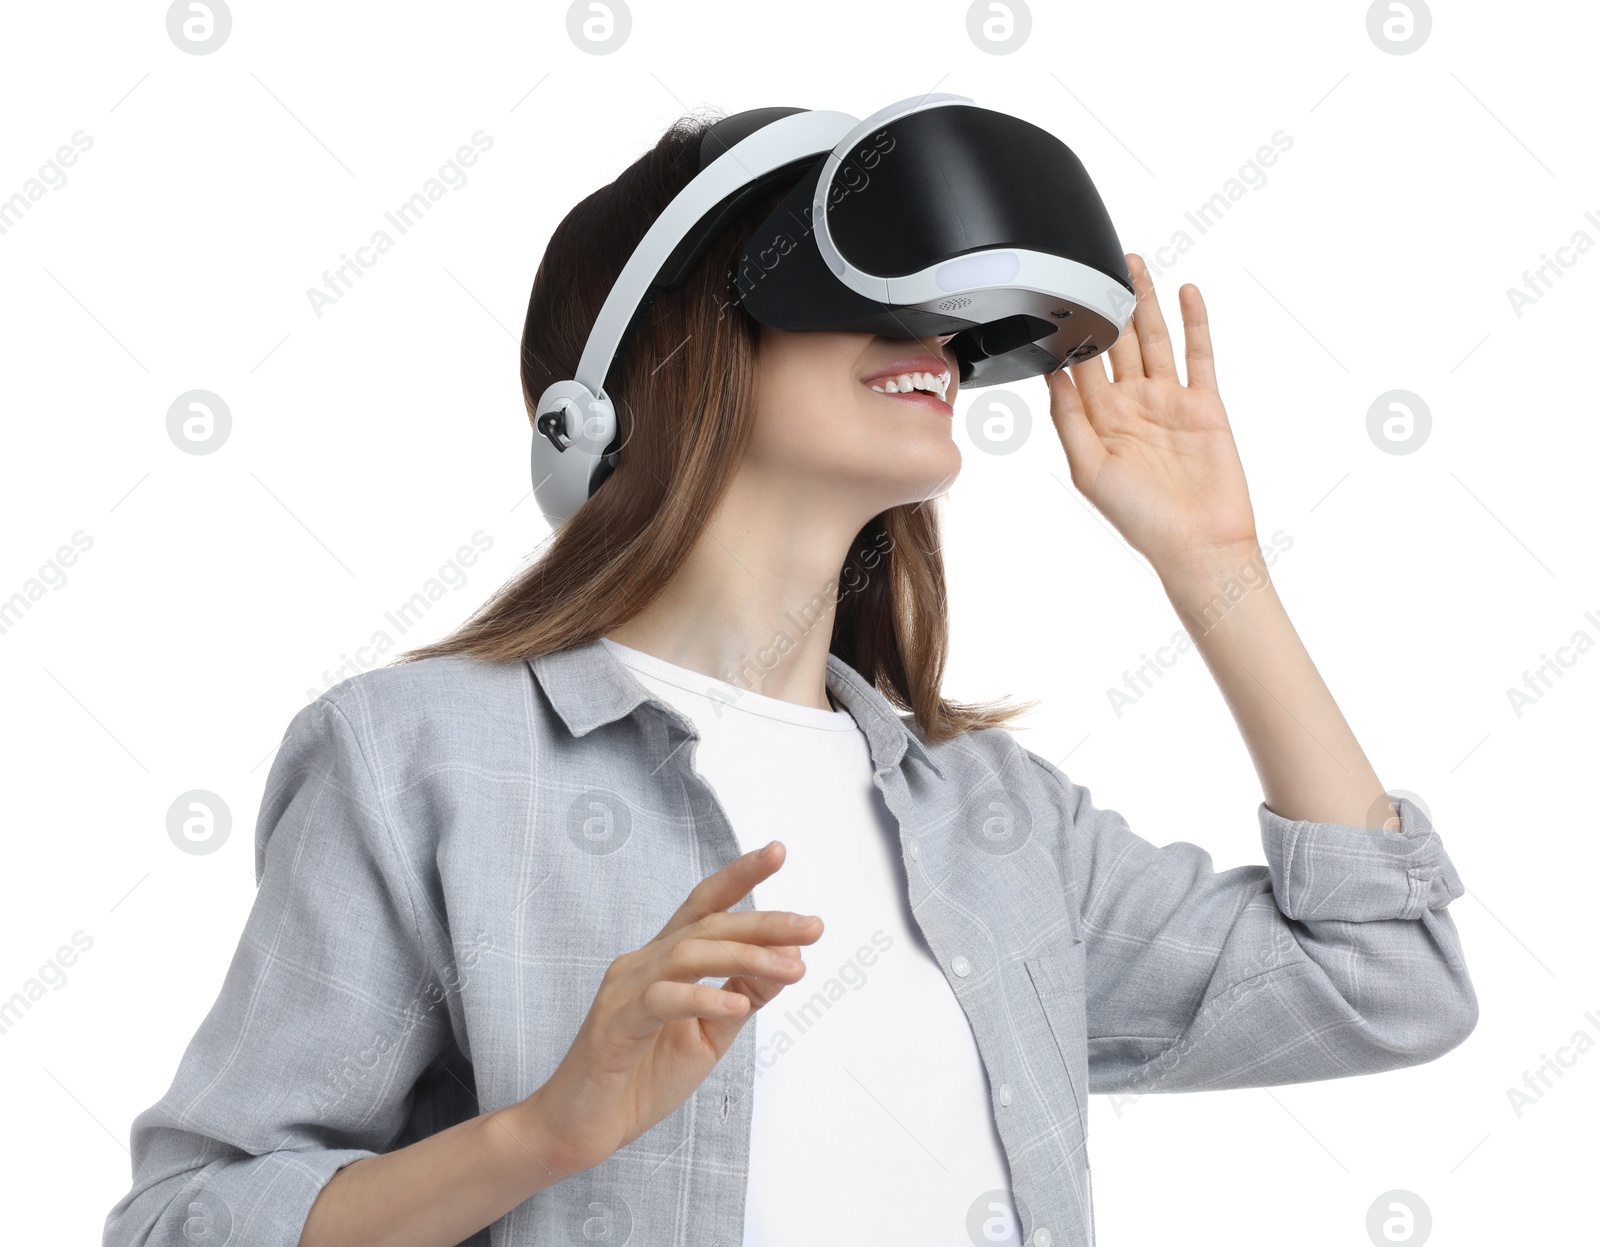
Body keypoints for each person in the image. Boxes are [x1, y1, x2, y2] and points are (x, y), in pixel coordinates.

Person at [104, 112, 1478, 1247]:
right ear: (671, 348)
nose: (935, 335)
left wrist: (1214, 562)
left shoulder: (995, 824)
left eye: (948, 312)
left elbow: (1387, 978)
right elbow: (189, 1220)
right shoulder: (422, 763)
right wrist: (541, 1137)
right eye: (874, 290)